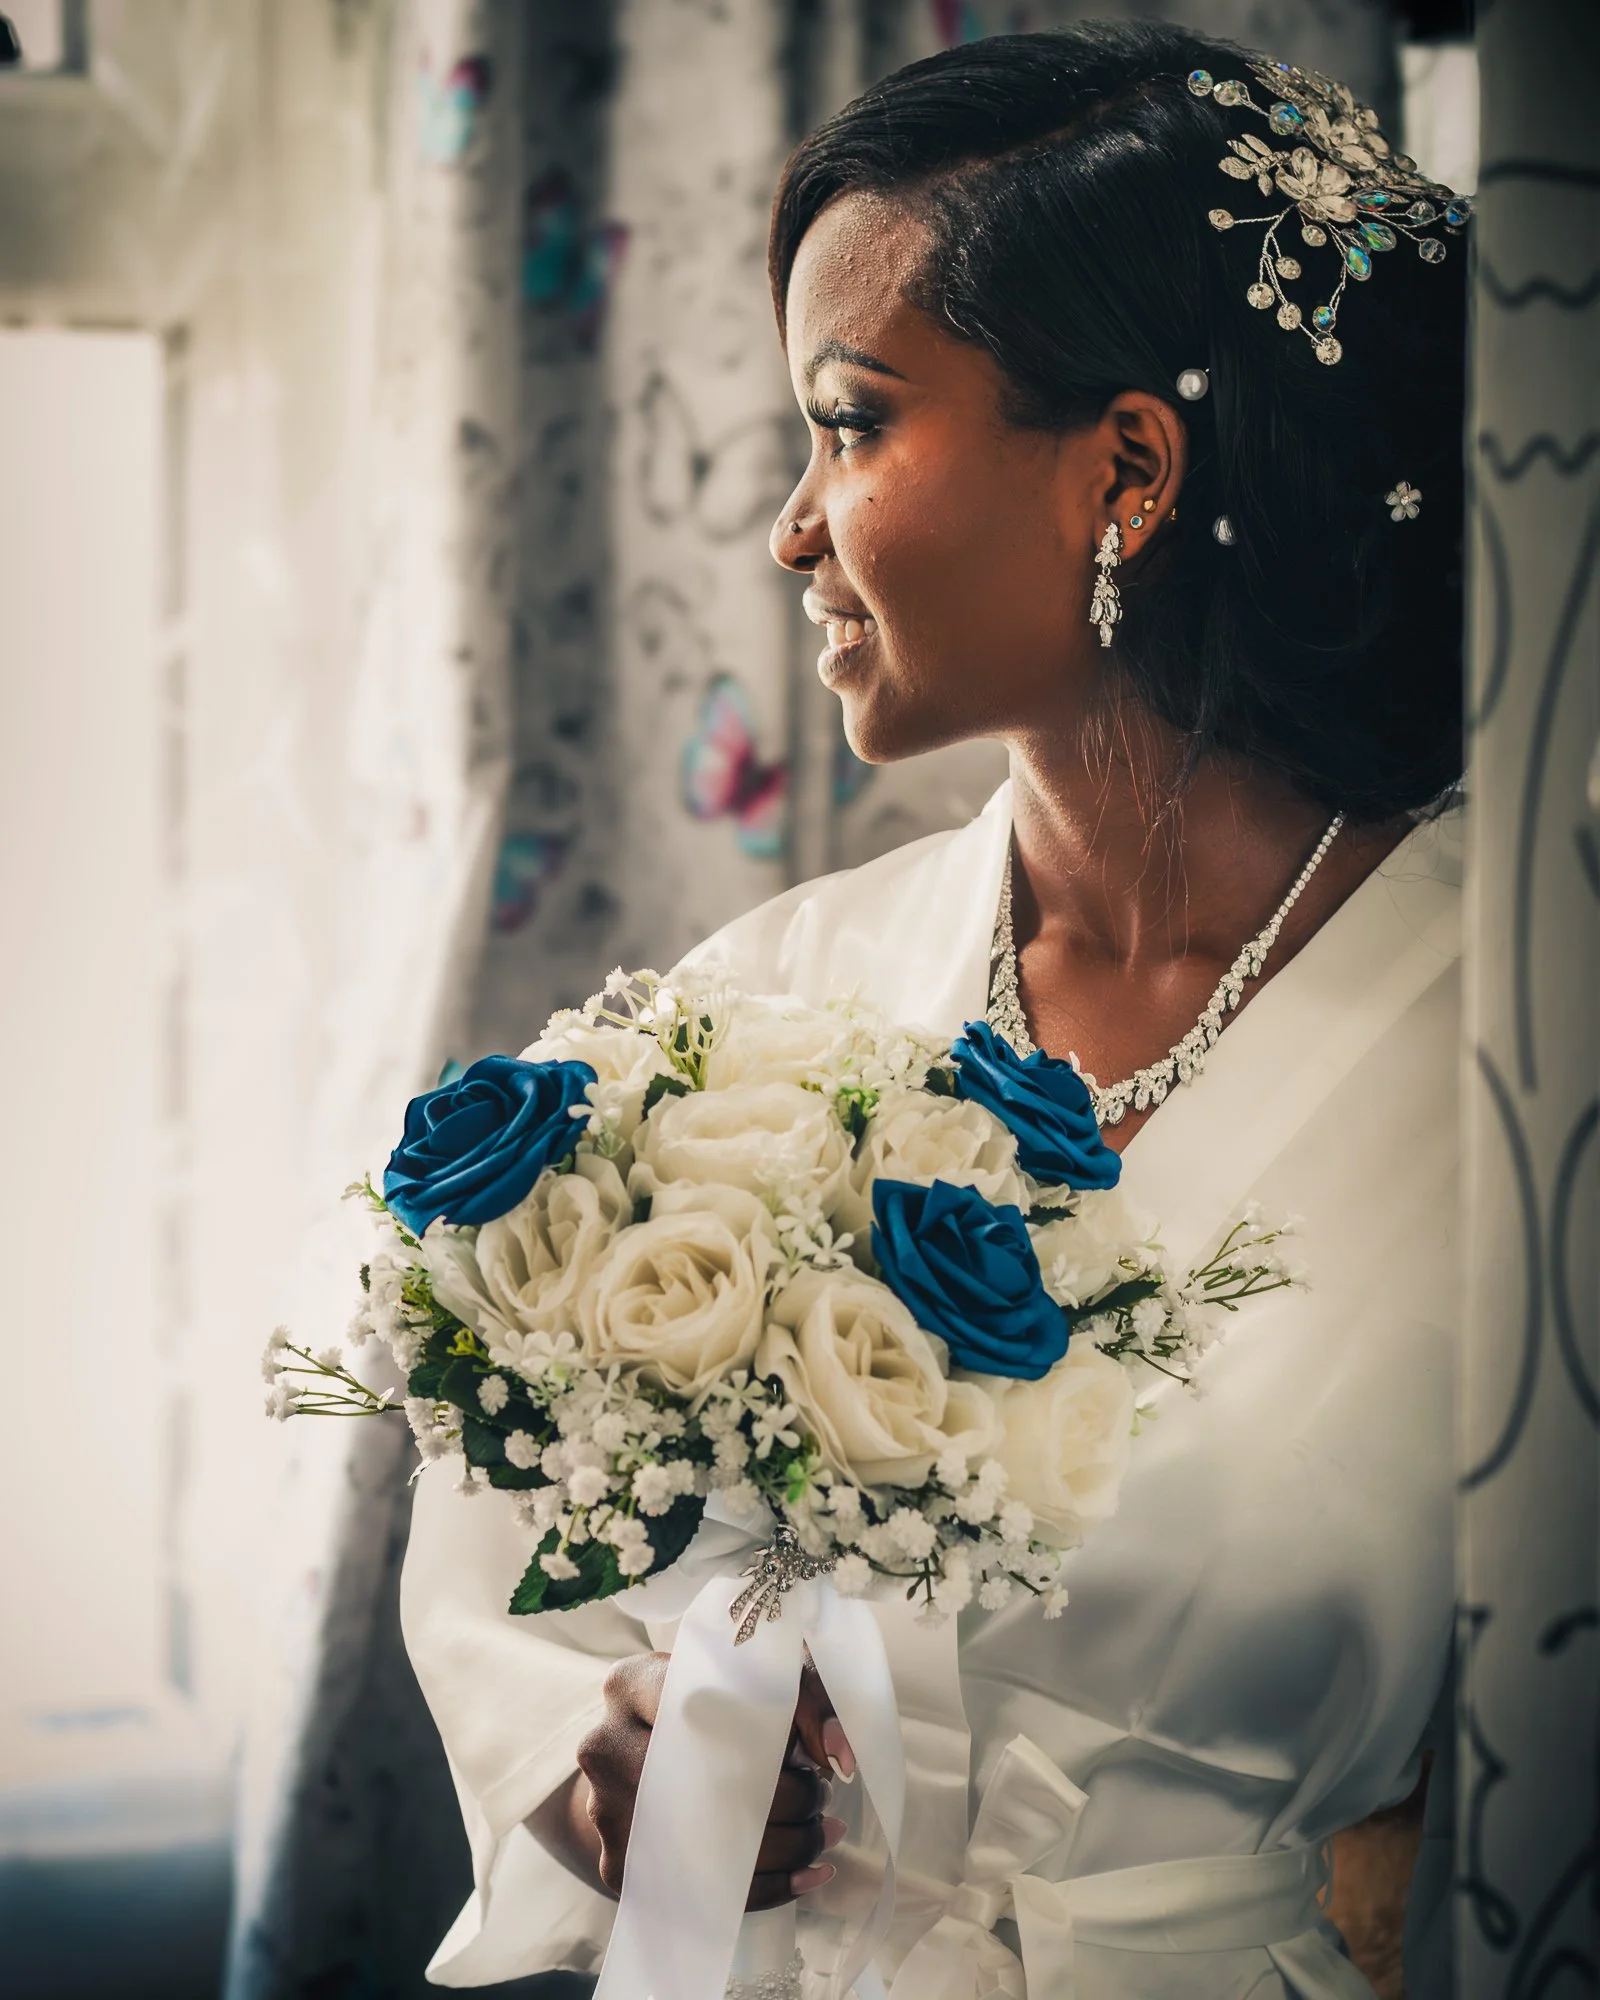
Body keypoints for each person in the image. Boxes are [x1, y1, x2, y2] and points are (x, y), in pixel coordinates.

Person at [400, 22, 1465, 1997]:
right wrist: (591, 1758)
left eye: (851, 422)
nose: (788, 528)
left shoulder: (1511, 1070)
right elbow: (496, 1552)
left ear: (1125, 468)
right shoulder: (765, 1006)